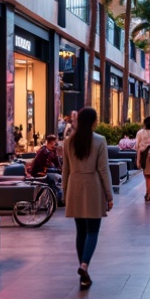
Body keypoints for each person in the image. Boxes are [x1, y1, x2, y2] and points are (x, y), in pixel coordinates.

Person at [62, 107, 114, 288]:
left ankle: (83, 274)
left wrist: (64, 191)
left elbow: (65, 170)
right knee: (93, 230)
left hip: (75, 186)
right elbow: (103, 169)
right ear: (93, 121)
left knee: (81, 231)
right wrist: (109, 194)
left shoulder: (68, 141)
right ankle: (84, 265)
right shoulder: (100, 141)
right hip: (93, 187)